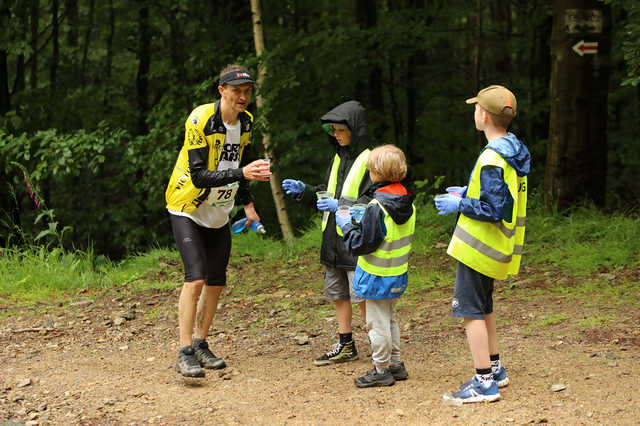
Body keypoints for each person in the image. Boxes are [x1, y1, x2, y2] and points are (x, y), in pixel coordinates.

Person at [165, 64, 271, 378]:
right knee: (195, 278)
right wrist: (241, 173)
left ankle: (201, 343)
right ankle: (184, 351)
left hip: (219, 213)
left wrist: (248, 204)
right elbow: (199, 175)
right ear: (221, 91)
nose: (243, 97)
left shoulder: (247, 122)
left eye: (248, 91)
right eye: (236, 91)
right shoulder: (200, 119)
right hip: (187, 205)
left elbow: (244, 164)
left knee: (216, 283)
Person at [435, 85, 530, 402]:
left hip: (477, 248)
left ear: (484, 115)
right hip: (494, 248)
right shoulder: (511, 149)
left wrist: (458, 205)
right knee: (484, 308)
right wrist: (467, 192)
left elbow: (491, 209)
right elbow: (501, 198)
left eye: (476, 108)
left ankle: (483, 381)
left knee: (471, 312)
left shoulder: (492, 156)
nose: (474, 112)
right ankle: (495, 367)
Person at [282, 100, 373, 366]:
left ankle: (381, 347)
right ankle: (346, 345)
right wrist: (306, 192)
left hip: (355, 242)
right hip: (332, 242)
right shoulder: (338, 157)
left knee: (363, 298)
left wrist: (340, 206)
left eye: (339, 129)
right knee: (339, 295)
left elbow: (373, 201)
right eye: (332, 130)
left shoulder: (370, 158)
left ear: (354, 128)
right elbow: (328, 192)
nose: (335, 134)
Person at [335, 144, 416, 388]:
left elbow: (362, 245)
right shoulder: (408, 203)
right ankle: (395, 363)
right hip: (397, 273)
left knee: (376, 324)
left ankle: (381, 368)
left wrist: (347, 226)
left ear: (375, 173)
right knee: (389, 318)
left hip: (376, 275)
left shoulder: (376, 206)